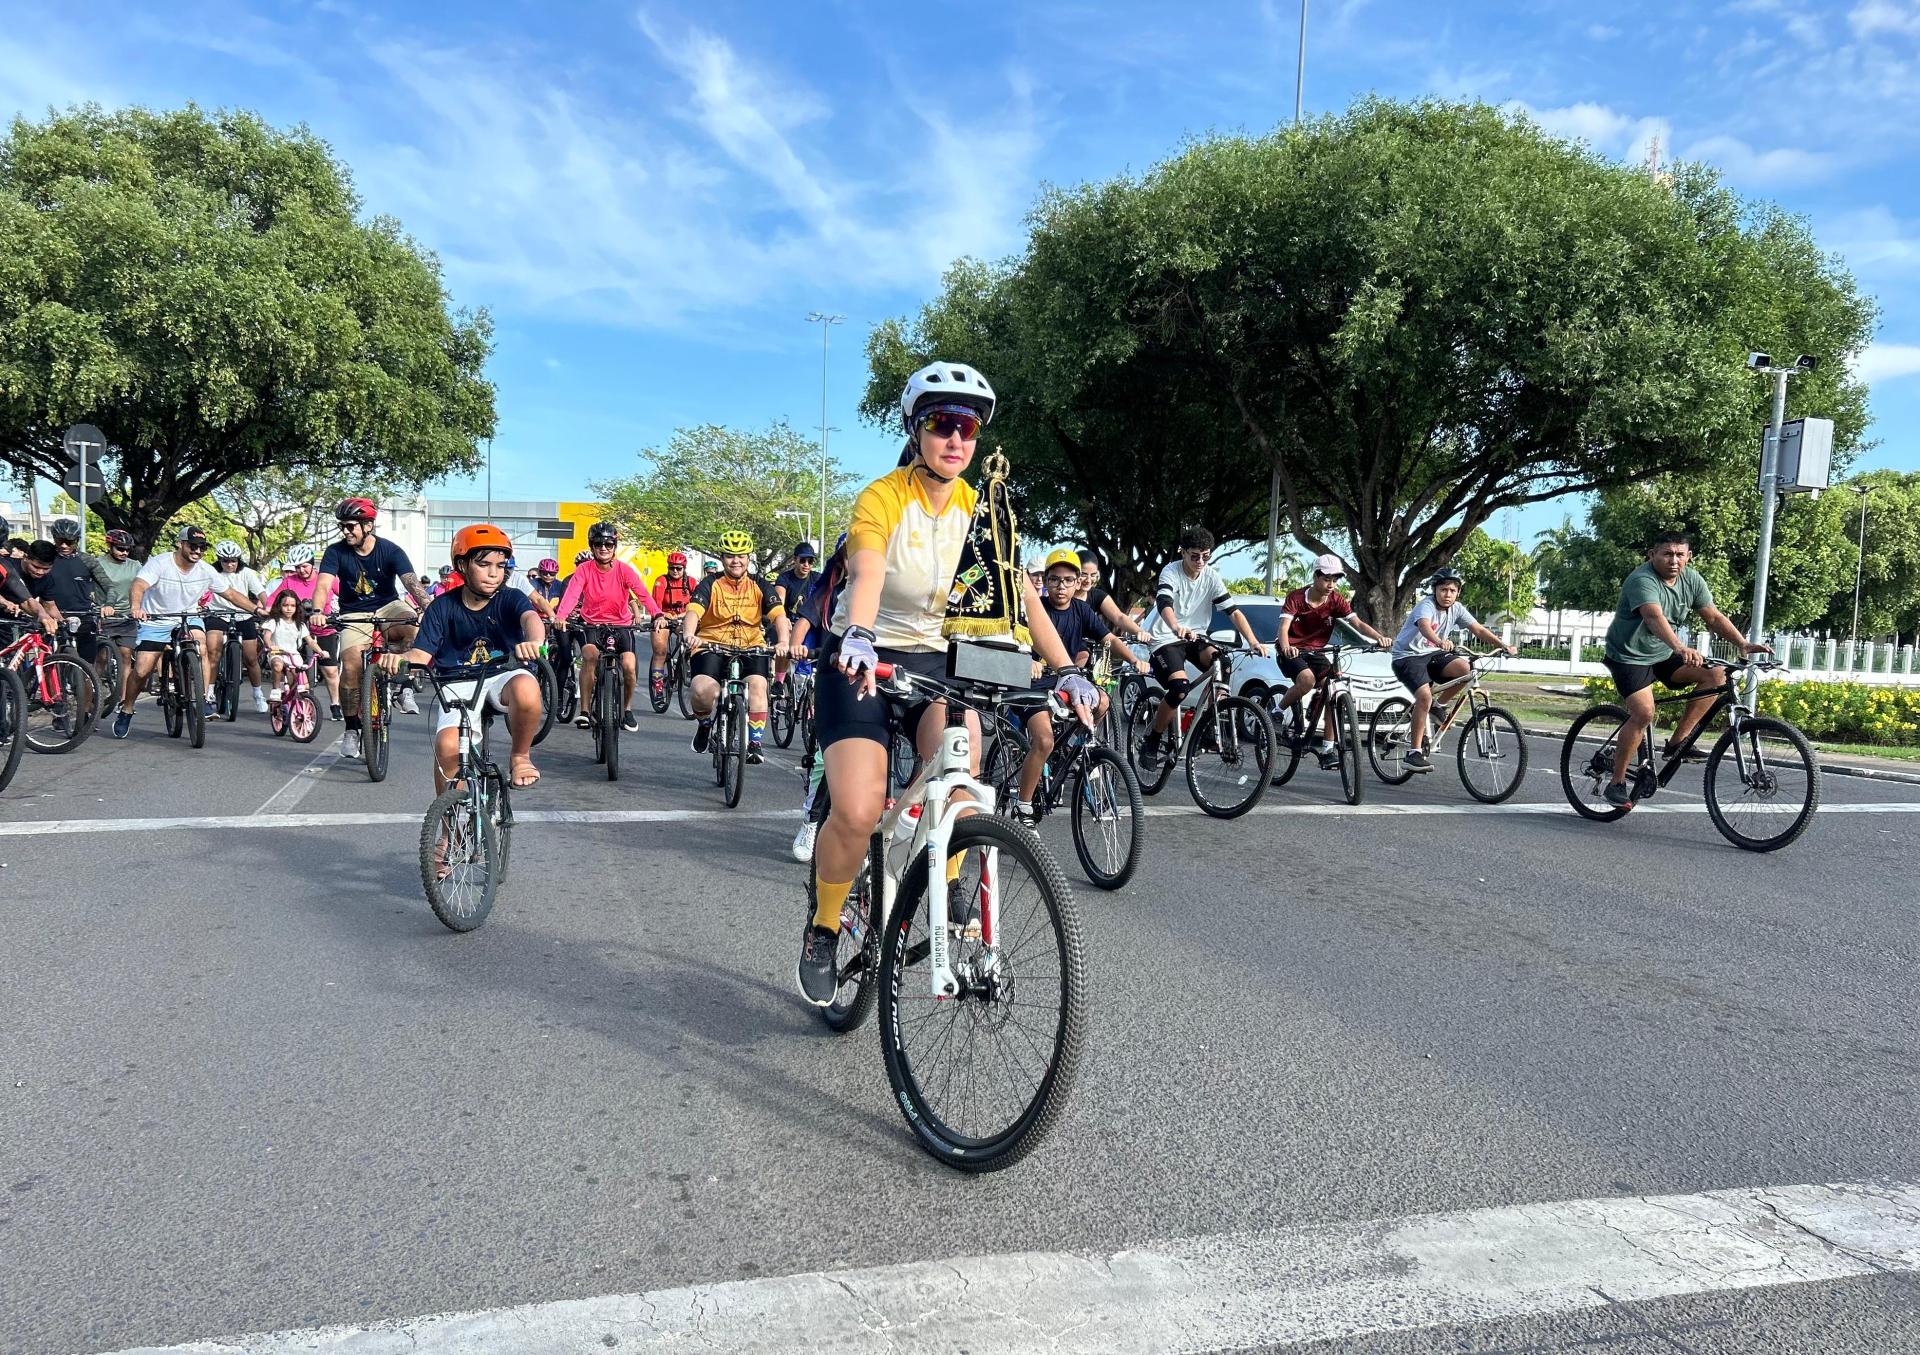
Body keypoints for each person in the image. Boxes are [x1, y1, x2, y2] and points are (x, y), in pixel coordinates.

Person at [798, 359, 1097, 1006]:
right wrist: (858, 632)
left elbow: (1023, 599)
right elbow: (868, 571)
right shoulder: (883, 496)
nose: (956, 438)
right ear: (917, 430)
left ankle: (949, 867)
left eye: (968, 427)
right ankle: (824, 925)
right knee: (857, 809)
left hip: (938, 660)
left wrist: (1069, 670)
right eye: (942, 423)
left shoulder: (980, 509)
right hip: (865, 654)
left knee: (962, 769)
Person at [1599, 531, 1769, 806]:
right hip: (1629, 656)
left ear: (1688, 556)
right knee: (1644, 713)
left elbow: (1713, 617)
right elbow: (1653, 617)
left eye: (1680, 554)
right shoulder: (1642, 580)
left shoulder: (1692, 580)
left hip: (1664, 653)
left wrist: (1743, 643)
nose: (1674, 560)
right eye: (1667, 554)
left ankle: (1677, 743)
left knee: (1716, 675)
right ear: (1652, 555)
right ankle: (1616, 782)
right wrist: (1680, 647)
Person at [382, 523, 546, 798]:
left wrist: (534, 642)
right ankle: (448, 820)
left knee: (527, 688)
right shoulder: (441, 607)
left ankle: (520, 756)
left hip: (502, 675)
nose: (494, 573)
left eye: (500, 566)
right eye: (484, 564)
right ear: (462, 565)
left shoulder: (511, 598)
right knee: (447, 748)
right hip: (457, 683)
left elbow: (531, 619)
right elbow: (420, 655)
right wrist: (397, 659)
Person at [1010, 549, 1147, 821]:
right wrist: (1028, 661)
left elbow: (1109, 639)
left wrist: (1134, 659)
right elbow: (1014, 640)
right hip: (1032, 685)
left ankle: (1071, 746)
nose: (1061, 586)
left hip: (1066, 681)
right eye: (1054, 579)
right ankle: (1023, 805)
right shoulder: (1034, 609)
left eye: (1068, 580)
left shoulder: (1082, 610)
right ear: (1045, 581)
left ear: (1078, 583)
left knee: (1103, 700)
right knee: (1044, 740)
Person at [1136, 528, 1269, 772]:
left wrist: (1253, 641)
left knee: (1222, 663)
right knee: (1179, 689)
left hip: (1195, 636)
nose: (1200, 561)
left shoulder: (1211, 576)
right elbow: (1164, 603)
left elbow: (1233, 612)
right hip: (1165, 638)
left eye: (1205, 556)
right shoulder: (1171, 572)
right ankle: (1152, 739)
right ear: (1183, 552)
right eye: (1194, 556)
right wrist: (1176, 627)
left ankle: (1209, 726)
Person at [313, 498, 430, 760]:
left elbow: (411, 583)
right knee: (351, 666)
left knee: (411, 627)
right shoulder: (335, 552)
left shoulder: (391, 550)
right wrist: (318, 611)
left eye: (350, 526)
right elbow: (323, 585)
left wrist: (429, 607)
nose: (345, 531)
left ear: (368, 525)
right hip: (354, 613)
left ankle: (403, 685)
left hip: (389, 607)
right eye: (342, 526)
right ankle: (352, 729)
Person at [116, 526, 259, 739]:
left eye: (202, 547)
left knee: (201, 646)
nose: (198, 551)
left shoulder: (205, 570)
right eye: (193, 546)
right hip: (157, 619)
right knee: (143, 669)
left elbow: (230, 594)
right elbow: (138, 585)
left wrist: (256, 610)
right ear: (180, 544)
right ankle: (127, 709)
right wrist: (136, 607)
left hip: (187, 617)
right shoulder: (160, 563)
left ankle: (203, 699)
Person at [1388, 568, 1518, 772]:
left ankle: (1438, 705)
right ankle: (1413, 753)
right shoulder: (1426, 606)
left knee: (1466, 670)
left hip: (1433, 654)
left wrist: (1503, 646)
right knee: (1424, 697)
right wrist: (1439, 641)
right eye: (1443, 589)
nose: (1447, 594)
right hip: (1407, 656)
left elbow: (1479, 629)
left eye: (1452, 590)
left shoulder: (1456, 609)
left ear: (1458, 592)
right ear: (1434, 590)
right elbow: (1424, 626)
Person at [1274, 554, 1393, 769]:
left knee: (1333, 691)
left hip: (1316, 652)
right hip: (1291, 651)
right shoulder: (1296, 598)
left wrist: (1378, 638)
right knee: (1307, 679)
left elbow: (1358, 624)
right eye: (1327, 579)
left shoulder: (1336, 600)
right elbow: (1283, 628)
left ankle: (1328, 749)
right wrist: (1286, 647)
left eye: (1335, 580)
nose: (1331, 585)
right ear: (1315, 577)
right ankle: (1278, 711)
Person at [683, 530, 788, 762]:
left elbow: (779, 616)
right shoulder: (710, 583)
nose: (736, 561)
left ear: (749, 558)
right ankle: (704, 725)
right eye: (730, 555)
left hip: (751, 645)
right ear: (722, 558)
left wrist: (783, 642)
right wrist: (690, 634)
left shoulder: (760, 584)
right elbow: (693, 612)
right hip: (712, 644)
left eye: (741, 556)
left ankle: (754, 743)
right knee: (701, 690)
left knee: (758, 686)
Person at [554, 521, 659, 732]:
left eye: (608, 544)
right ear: (592, 546)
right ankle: (585, 711)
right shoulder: (584, 570)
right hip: (592, 624)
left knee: (629, 665)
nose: (603, 548)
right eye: (598, 544)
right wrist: (561, 615)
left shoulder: (624, 570)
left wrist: (657, 614)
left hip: (621, 626)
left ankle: (627, 709)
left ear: (614, 546)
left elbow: (642, 593)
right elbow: (572, 594)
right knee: (589, 656)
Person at [787, 532, 850, 862]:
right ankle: (811, 821)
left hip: (872, 684)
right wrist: (795, 646)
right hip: (830, 678)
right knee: (826, 758)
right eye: (852, 553)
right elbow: (803, 624)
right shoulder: (827, 593)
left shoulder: (886, 593)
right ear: (841, 560)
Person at [261, 545, 343, 719]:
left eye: (304, 566)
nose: (301, 570)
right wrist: (267, 608)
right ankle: (297, 702)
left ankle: (335, 704)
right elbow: (275, 597)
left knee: (330, 669)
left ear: (312, 564)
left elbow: (345, 595)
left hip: (324, 628)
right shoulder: (290, 580)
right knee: (294, 669)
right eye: (297, 567)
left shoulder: (326, 578)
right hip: (299, 629)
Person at [205, 540, 269, 713]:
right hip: (217, 614)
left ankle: (258, 694)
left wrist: (268, 606)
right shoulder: (211, 572)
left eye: (233, 560)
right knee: (213, 653)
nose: (230, 564)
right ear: (219, 560)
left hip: (244, 614)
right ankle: (209, 693)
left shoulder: (247, 573)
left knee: (251, 658)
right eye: (225, 561)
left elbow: (261, 592)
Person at [87, 529, 142, 695]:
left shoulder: (135, 565)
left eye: (127, 549)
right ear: (109, 546)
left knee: (126, 655)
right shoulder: (98, 564)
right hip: (104, 617)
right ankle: (94, 695)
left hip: (127, 616)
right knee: (101, 658)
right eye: (120, 549)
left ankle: (123, 698)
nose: (125, 552)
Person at [770, 541, 817, 698]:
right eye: (802, 560)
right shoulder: (784, 578)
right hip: (789, 622)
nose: (806, 564)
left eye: (810, 561)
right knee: (785, 644)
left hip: (810, 623)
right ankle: (778, 681)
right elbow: (779, 602)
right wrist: (783, 619)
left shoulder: (817, 578)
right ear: (795, 560)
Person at [648, 550, 696, 701]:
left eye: (678, 568)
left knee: (692, 641)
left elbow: (696, 604)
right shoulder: (661, 581)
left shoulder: (691, 582)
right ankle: (658, 687)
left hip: (683, 618)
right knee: (660, 651)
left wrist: (685, 615)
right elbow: (655, 603)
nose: (675, 571)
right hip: (663, 618)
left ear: (684, 569)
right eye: (672, 568)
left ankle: (686, 662)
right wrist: (662, 616)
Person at [261, 590, 315, 706]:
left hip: (293, 655)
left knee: (303, 684)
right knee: (277, 665)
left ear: (297, 607)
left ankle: (296, 703)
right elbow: (267, 637)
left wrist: (320, 651)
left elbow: (310, 641)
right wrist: (271, 646)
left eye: (292, 606)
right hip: (277, 653)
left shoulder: (299, 624)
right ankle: (276, 690)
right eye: (285, 605)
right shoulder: (274, 621)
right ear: (279, 606)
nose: (289, 609)